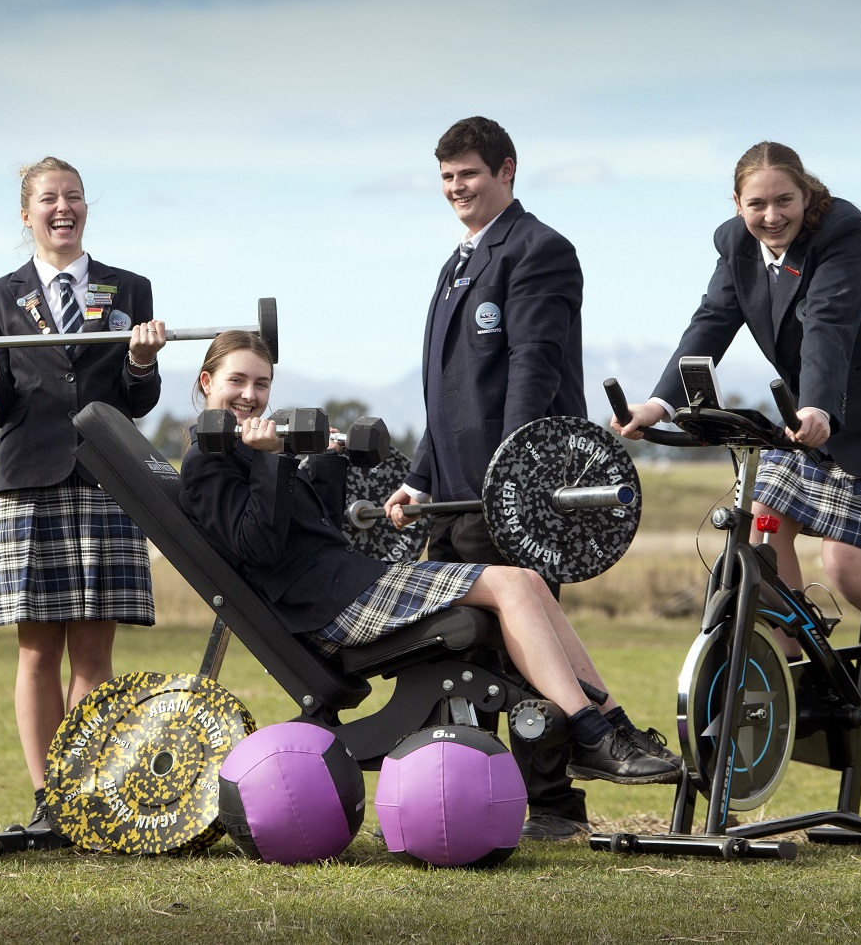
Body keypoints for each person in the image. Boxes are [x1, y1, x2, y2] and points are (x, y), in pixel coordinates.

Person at [180, 331, 683, 792]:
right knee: (510, 585)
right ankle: (590, 734)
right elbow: (258, 549)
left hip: (348, 583)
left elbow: (319, 533)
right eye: (237, 381)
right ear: (207, 383)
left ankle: (616, 726)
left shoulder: (256, 450)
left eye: (261, 384)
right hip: (326, 607)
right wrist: (273, 461)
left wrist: (330, 460)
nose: (250, 395)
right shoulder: (208, 462)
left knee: (527, 579)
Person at [614, 141, 861, 742]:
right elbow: (709, 323)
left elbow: (829, 323)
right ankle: (793, 664)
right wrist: (657, 404)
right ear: (737, 204)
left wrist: (816, 405)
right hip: (815, 420)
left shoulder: (841, 230)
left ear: (806, 195)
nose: (772, 214)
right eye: (757, 203)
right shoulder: (734, 243)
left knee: (844, 564)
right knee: (759, 520)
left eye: (785, 199)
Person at [381, 116, 615, 841]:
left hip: (515, 493)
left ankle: (552, 807)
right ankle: (473, 794)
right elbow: (446, 399)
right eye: (448, 177)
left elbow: (532, 369)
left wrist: (510, 473)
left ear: (507, 170)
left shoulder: (539, 251)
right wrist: (419, 483)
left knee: (517, 648)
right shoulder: (456, 264)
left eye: (470, 175)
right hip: (453, 498)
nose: (457, 188)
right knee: (460, 648)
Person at [0, 157, 167, 836]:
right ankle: (50, 801)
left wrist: (141, 359)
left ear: (85, 208)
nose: (63, 207)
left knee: (95, 654)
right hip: (30, 477)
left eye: (73, 196)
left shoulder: (130, 287)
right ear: (27, 214)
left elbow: (137, 400)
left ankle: (87, 792)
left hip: (107, 475)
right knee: (37, 649)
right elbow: (2, 403)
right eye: (49, 198)